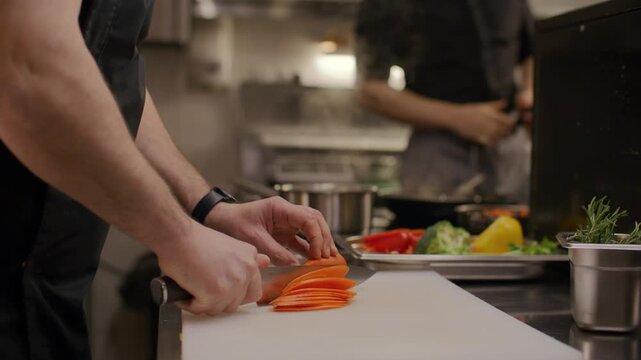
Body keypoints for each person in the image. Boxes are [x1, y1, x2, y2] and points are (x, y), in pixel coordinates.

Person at [0, 1, 337, 359]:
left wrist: (209, 207)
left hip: (44, 289)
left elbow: (113, 83)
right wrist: (179, 237)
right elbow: (32, 67)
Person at [355, 0, 534, 202]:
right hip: (437, 149)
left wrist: (528, 92)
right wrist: (457, 118)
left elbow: (531, 53)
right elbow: (370, 91)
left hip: (509, 144)